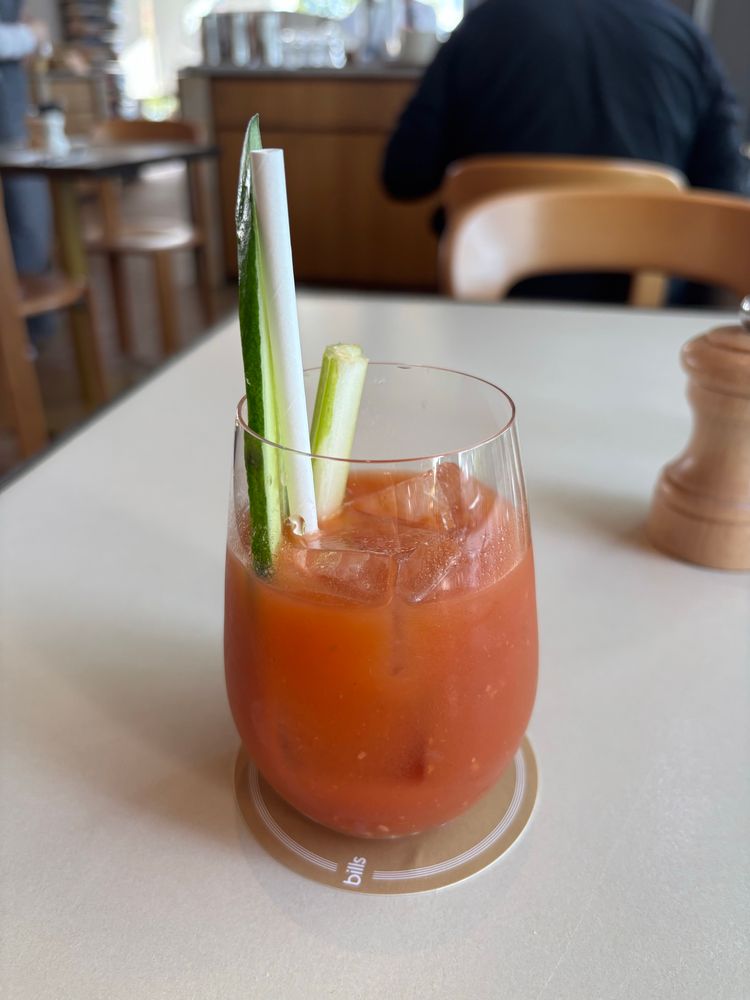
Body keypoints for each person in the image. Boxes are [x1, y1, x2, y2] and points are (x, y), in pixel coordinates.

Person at [382, 0, 748, 303]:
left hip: (493, 304)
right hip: (646, 310)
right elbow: (730, 193)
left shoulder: (481, 27)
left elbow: (403, 175)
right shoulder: (684, 37)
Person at [0, 0, 54, 336]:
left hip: (12, 117)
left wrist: (35, 36)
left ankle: (27, 334)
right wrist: (28, 36)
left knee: (30, 226)